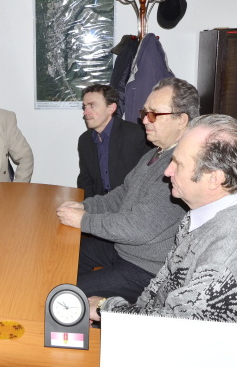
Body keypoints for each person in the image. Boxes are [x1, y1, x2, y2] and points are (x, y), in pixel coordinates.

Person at [88, 114, 237, 367]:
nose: (167, 171)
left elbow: (179, 334)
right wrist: (124, 313)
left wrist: (107, 308)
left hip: (219, 357)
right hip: (180, 333)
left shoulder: (229, 251)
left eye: (178, 164)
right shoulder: (207, 212)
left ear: (214, 178)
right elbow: (164, 284)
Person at [56, 77, 199, 303]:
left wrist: (84, 220)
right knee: (64, 253)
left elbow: (137, 228)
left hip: (146, 267)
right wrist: (84, 206)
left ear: (181, 120)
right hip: (125, 248)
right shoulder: (155, 153)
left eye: (154, 114)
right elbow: (122, 194)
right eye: (145, 113)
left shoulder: (183, 166)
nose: (144, 120)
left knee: (64, 294)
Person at [77, 84, 150, 197]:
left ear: (111, 108)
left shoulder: (137, 134)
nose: (86, 112)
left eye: (92, 106)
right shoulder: (85, 140)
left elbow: (149, 178)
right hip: (99, 203)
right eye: (85, 106)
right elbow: (85, 180)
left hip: (131, 202)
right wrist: (89, 204)